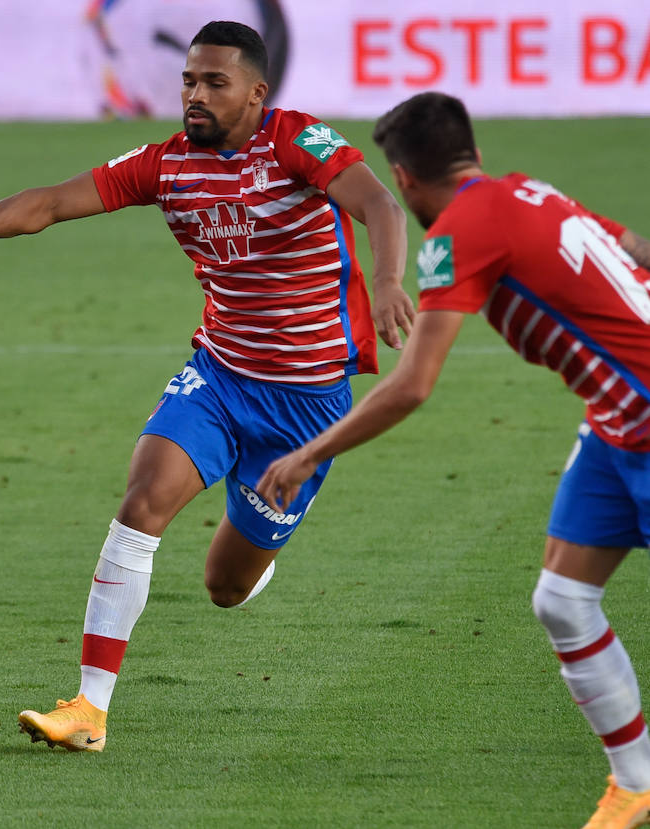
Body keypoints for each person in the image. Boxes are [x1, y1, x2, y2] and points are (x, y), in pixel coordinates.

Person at [0, 20, 415, 751]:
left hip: (307, 404)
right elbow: (54, 201)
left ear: (256, 92)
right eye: (189, 80)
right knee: (142, 499)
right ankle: (89, 709)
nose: (196, 95)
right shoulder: (167, 164)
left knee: (226, 584)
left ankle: (255, 555)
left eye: (215, 82)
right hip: (218, 375)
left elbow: (380, 205)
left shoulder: (295, 142)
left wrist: (392, 278)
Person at [256, 91, 650, 829]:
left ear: (402, 179)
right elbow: (632, 247)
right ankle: (635, 783)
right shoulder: (530, 190)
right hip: (617, 422)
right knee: (562, 600)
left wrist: (308, 453)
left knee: (565, 602)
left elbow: (411, 386)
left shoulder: (459, 232)